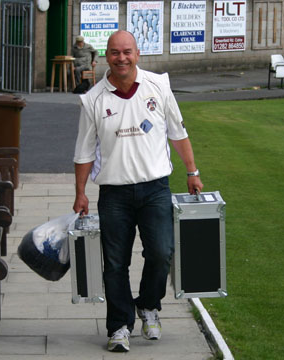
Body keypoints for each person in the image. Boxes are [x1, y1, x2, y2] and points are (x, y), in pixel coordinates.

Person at [72, 30, 203, 353]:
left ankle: (148, 305)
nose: (121, 58)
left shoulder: (158, 86)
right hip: (114, 194)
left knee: (161, 253)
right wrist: (80, 193)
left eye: (127, 51)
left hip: (155, 189)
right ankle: (119, 326)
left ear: (138, 54)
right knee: (115, 263)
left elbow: (178, 132)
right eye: (115, 53)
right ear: (106, 56)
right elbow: (84, 151)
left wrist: (192, 171)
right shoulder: (93, 99)